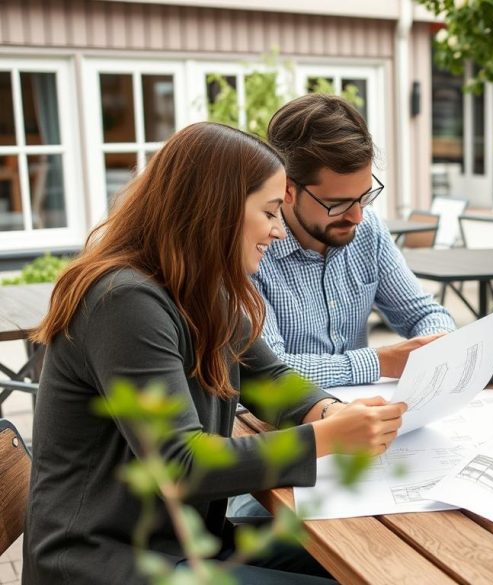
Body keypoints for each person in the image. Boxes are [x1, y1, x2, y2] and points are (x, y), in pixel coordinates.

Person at [23, 122, 405, 584]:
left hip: (181, 540)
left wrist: (329, 410)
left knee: (369, 562)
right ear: (216, 210)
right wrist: (328, 438)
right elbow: (180, 465)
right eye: (269, 213)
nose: (279, 232)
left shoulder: (206, 289)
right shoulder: (122, 301)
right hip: (106, 560)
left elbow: (270, 378)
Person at [255, 93, 455, 389]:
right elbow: (270, 371)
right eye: (338, 203)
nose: (357, 217)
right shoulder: (251, 249)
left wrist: (435, 345)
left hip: (368, 414)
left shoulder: (368, 229)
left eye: (364, 197)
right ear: (286, 189)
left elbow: (425, 314)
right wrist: (382, 362)